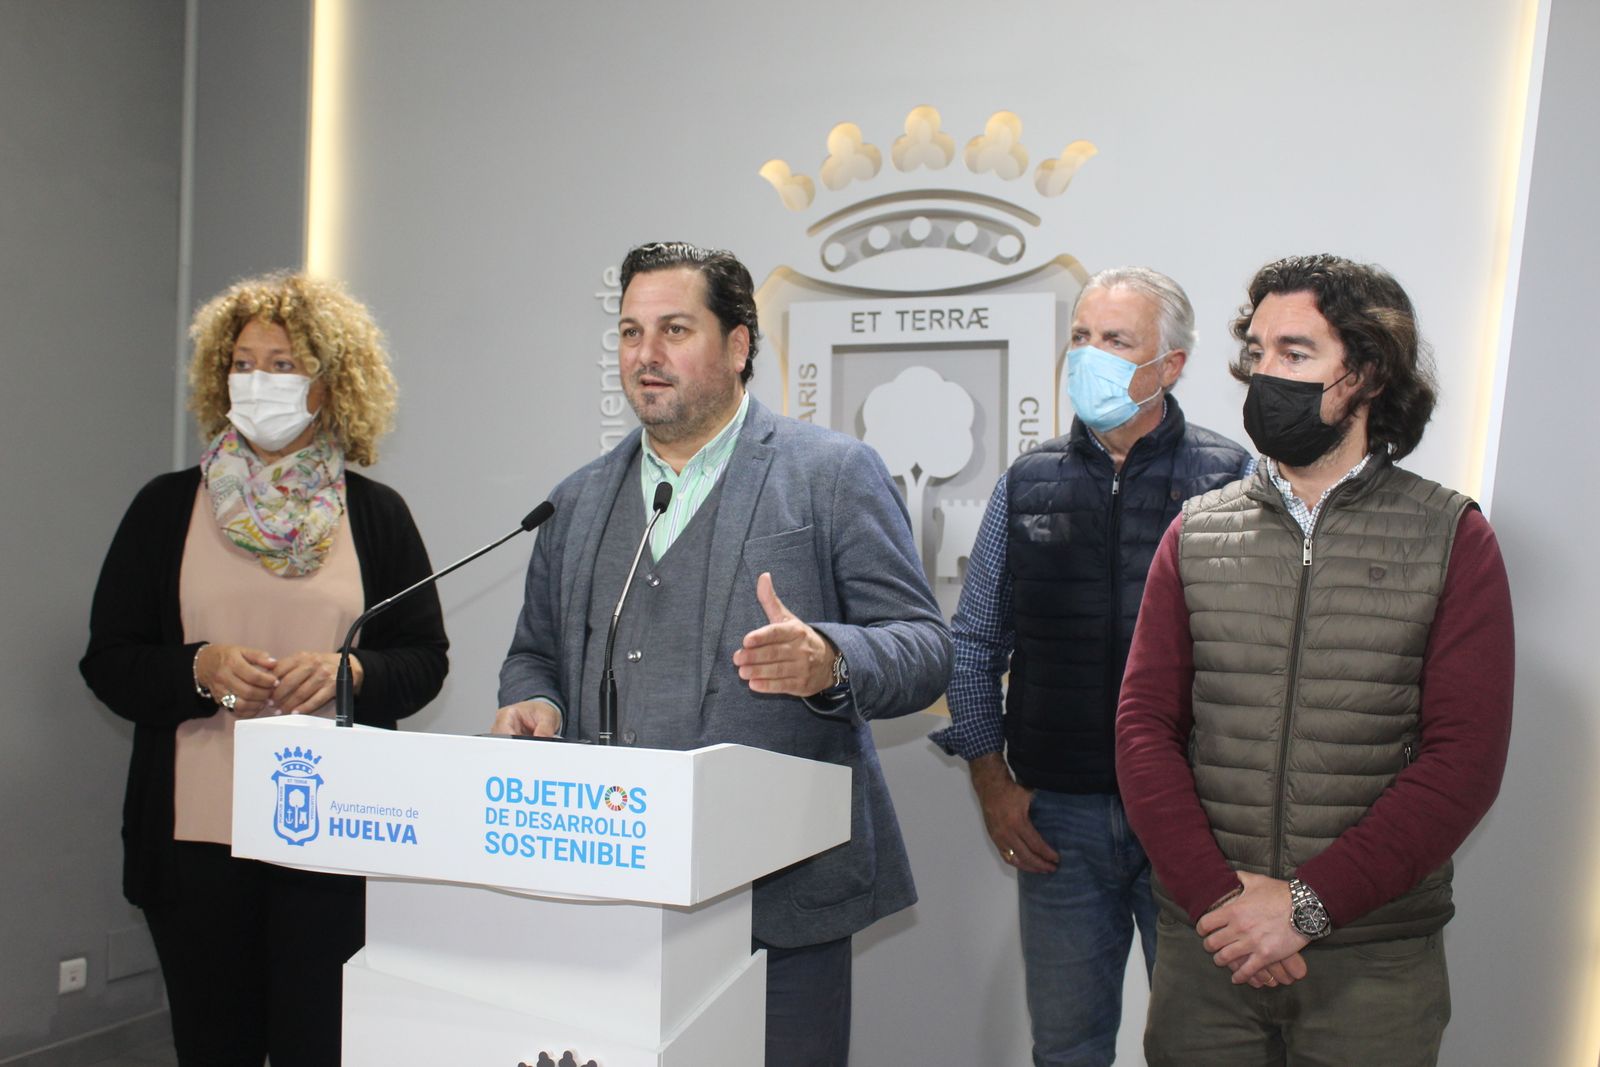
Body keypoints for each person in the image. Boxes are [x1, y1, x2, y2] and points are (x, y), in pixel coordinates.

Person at [492, 241, 952, 1066]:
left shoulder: (831, 473)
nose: (646, 355)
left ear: (739, 346)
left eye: (674, 329)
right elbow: (533, 653)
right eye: (631, 333)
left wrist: (831, 656)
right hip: (615, 894)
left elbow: (925, 649)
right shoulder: (576, 500)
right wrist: (539, 702)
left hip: (777, 894)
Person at [1116, 254, 1514, 1066]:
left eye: (1296, 355)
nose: (1267, 376)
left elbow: (1462, 761)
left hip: (1372, 958)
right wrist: (1224, 904)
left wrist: (1303, 906)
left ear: (1365, 374)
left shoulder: (1452, 536)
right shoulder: (1196, 532)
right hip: (1210, 950)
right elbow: (1143, 730)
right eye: (1258, 354)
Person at [80, 273, 450, 1066]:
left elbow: (423, 660)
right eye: (243, 363)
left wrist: (352, 674)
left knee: (320, 1046)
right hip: (194, 848)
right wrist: (198, 668)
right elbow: (109, 660)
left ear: (329, 382)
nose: (258, 382)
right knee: (215, 1046)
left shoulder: (377, 515)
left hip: (333, 842)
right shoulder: (164, 507)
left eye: (282, 364)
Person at [934, 266, 1250, 1066]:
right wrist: (990, 781)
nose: (1090, 355)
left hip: (1191, 819)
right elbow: (974, 642)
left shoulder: (1232, 480)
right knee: (1067, 1045)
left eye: (1116, 340)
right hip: (1060, 821)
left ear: (1171, 365)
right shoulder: (1027, 481)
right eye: (1081, 337)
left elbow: (1261, 660)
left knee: (1203, 1045)